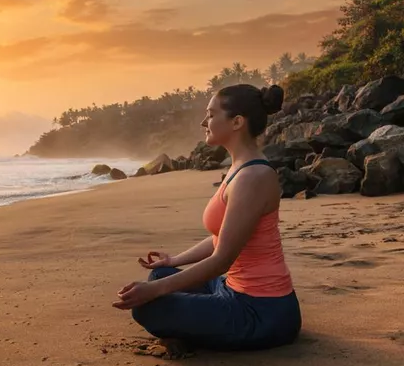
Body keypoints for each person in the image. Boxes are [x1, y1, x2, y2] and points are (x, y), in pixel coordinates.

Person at [112, 84, 302, 351]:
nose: (204, 121)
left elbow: (222, 260)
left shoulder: (253, 178)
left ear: (237, 122)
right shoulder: (239, 169)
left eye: (211, 114)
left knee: (148, 307)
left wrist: (155, 292)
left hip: (262, 312)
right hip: (231, 289)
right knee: (161, 273)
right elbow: (221, 238)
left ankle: (197, 331)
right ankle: (196, 326)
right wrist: (174, 260)